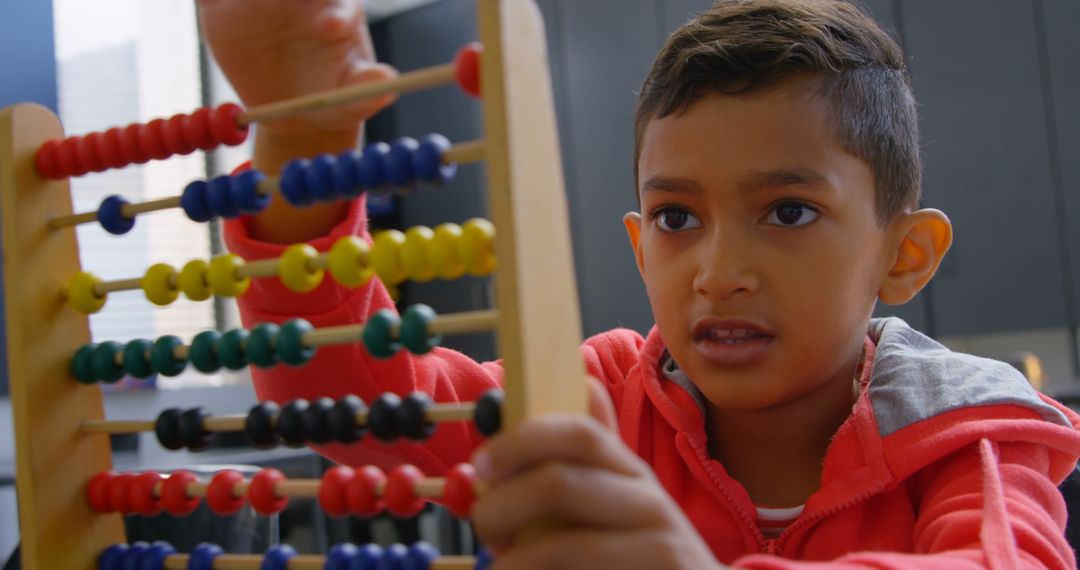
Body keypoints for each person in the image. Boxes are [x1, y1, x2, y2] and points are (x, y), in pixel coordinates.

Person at [198, 0, 1080, 567]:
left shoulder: (969, 431)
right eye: (676, 219)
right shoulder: (601, 401)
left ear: (905, 254)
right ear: (639, 245)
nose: (720, 273)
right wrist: (297, 148)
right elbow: (359, 400)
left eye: (788, 213)